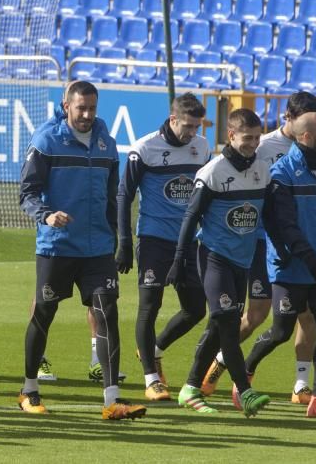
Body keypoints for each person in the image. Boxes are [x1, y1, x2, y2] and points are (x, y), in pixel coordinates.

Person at [16, 80, 142, 420]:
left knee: (107, 312)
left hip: (98, 249)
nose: (86, 114)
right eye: (80, 108)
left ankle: (112, 400)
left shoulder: (106, 143)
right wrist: (46, 215)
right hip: (57, 247)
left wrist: (119, 240)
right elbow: (27, 193)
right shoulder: (46, 141)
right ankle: (29, 389)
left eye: (91, 108)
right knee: (45, 313)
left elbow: (115, 196)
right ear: (66, 105)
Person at [202, 91, 316, 404]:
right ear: (289, 119)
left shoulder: (314, 149)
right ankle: (217, 363)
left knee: (308, 315)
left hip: (296, 240)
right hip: (256, 242)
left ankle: (300, 385)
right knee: (254, 315)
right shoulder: (263, 145)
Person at [243, 113, 316, 420]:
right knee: (281, 331)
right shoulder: (282, 174)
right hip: (290, 268)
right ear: (306, 137)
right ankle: (245, 373)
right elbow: (284, 225)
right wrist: (307, 257)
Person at [172, 108, 273, 417]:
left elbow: (264, 217)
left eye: (257, 138)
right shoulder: (213, 172)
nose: (253, 144)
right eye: (247, 138)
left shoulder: (262, 169)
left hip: (241, 261)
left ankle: (190, 389)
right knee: (229, 323)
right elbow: (191, 217)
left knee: (219, 325)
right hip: (214, 257)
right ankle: (245, 391)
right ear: (231, 135)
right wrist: (179, 259)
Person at [117, 93, 210, 401]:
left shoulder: (202, 147)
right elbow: (124, 196)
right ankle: (151, 379)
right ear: (173, 119)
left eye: (197, 126)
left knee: (196, 309)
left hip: (189, 241)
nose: (192, 133)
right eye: (187, 126)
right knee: (149, 306)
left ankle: (153, 350)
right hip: (154, 239)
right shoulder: (144, 149)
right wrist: (125, 242)